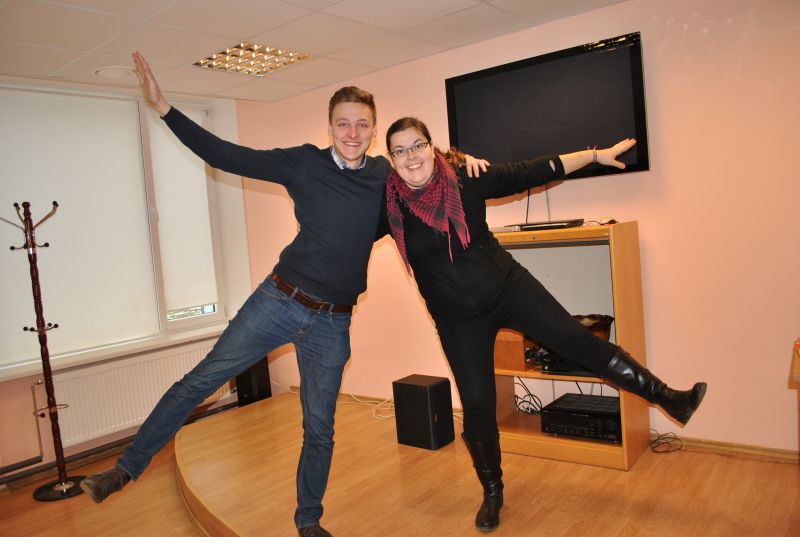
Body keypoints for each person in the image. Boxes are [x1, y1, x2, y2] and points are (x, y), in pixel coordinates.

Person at [79, 54, 485, 537]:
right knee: (199, 381)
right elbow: (226, 155)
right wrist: (165, 108)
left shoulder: (384, 176)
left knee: (320, 428)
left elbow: (425, 172)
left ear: (374, 132)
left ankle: (308, 521)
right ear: (330, 127)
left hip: (333, 322)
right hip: (278, 301)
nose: (352, 132)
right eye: (343, 123)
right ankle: (124, 469)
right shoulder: (304, 163)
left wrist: (462, 162)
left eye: (362, 125)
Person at [382, 117, 707, 532]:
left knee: (578, 342)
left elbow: (534, 170)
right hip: (456, 319)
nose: (411, 157)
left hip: (508, 287)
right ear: (391, 159)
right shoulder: (387, 205)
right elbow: (343, 228)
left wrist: (595, 155)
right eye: (400, 150)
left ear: (432, 147)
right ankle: (493, 492)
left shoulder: (466, 177)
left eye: (417, 145)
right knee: (478, 404)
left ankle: (669, 398)